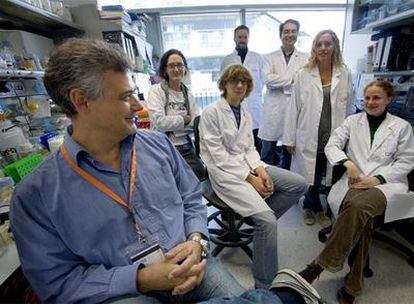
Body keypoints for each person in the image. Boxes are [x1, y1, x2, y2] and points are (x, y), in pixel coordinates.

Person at [9, 39, 245, 303]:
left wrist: (197, 242)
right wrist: (140, 278)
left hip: (190, 263)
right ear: (81, 101)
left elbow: (191, 198)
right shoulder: (36, 195)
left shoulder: (158, 145)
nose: (138, 106)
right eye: (124, 97)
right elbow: (57, 283)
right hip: (123, 291)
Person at [299, 80, 414, 304]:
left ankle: (318, 265)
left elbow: (407, 160)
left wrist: (377, 178)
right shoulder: (352, 121)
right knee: (363, 220)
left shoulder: (402, 127)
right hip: (355, 179)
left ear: (388, 99)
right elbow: (332, 145)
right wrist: (347, 163)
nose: (370, 102)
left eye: (377, 98)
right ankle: (353, 284)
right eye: (367, 98)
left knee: (358, 206)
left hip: (387, 185)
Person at [199, 64, 308, 289]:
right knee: (268, 220)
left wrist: (260, 170)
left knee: (299, 184)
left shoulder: (246, 114)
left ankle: (256, 221)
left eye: (244, 82)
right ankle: (264, 285)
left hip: (247, 166)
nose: (239, 85)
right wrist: (251, 179)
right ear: (224, 85)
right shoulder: (211, 112)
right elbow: (218, 156)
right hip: (224, 174)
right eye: (234, 81)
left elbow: (249, 148)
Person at [283, 29, 354, 227]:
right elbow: (293, 108)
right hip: (307, 134)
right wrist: (289, 139)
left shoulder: (344, 73)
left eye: (327, 44)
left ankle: (319, 206)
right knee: (310, 175)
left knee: (329, 173)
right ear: (314, 47)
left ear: (335, 47)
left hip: (334, 135)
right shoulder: (303, 74)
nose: (323, 48)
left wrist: (350, 137)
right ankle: (313, 207)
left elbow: (349, 108)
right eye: (319, 44)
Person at [147, 49, 204, 180]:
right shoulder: (156, 91)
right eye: (172, 66)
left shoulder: (188, 94)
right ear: (165, 69)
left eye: (180, 65)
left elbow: (193, 124)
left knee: (199, 173)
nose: (176, 69)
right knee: (172, 179)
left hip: (185, 145)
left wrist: (174, 123)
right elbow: (159, 122)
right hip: (164, 146)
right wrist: (184, 119)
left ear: (185, 68)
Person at [258, 19, 308, 168]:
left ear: (297, 34)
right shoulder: (268, 57)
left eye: (293, 31)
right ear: (280, 35)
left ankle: (285, 186)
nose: (290, 35)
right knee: (267, 154)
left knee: (289, 154)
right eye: (286, 31)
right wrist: (292, 78)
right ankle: (263, 186)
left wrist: (281, 80)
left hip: (294, 111)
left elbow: (304, 82)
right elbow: (268, 80)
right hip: (273, 111)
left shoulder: (306, 58)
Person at [221, 25, 265, 152]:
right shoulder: (227, 60)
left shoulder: (258, 58)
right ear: (234, 38)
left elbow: (263, 81)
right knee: (237, 145)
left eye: (245, 37)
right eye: (239, 37)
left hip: (254, 107)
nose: (242, 39)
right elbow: (223, 84)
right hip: (234, 107)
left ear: (248, 38)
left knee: (256, 145)